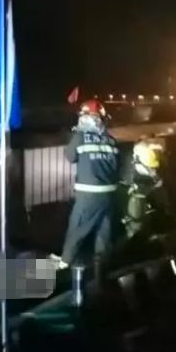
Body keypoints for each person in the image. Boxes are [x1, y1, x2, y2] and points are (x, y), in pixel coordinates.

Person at [54, 99, 121, 270]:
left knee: (77, 227)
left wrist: (76, 136)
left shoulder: (80, 137)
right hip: (109, 195)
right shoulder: (111, 140)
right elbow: (116, 166)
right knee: (103, 233)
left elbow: (70, 156)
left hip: (88, 195)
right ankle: (102, 270)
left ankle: (64, 264)